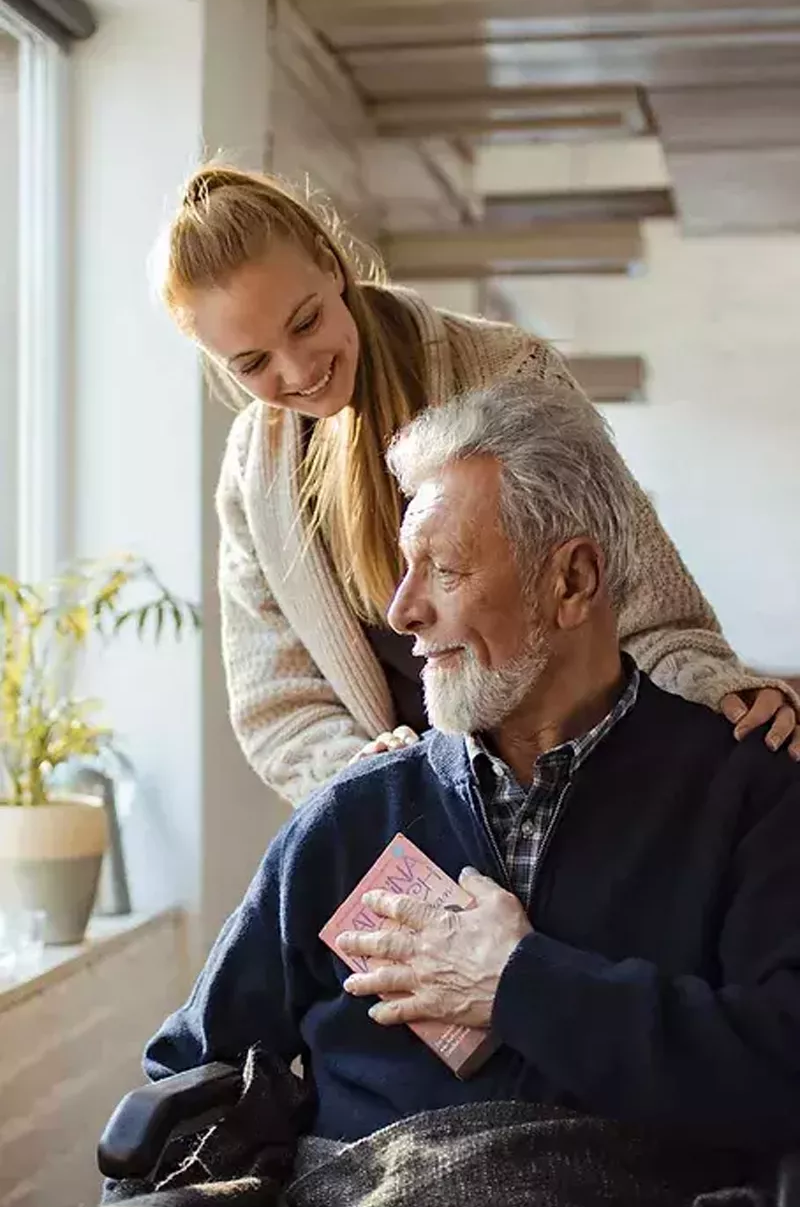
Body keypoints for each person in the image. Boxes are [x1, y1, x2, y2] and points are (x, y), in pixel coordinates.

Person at [19, 381, 800, 1207]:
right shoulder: (355, 813)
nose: (400, 611)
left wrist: (520, 985)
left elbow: (779, 1065)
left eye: (445, 570)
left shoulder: (747, 792)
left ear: (574, 580)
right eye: (403, 567)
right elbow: (191, 1060)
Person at [155, 163, 798, 807]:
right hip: (414, 824)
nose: (298, 370)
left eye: (305, 322)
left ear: (330, 264)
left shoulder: (508, 372)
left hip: (581, 790)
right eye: (253, 363)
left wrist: (719, 690)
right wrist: (360, 775)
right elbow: (280, 704)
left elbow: (639, 598)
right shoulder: (253, 474)